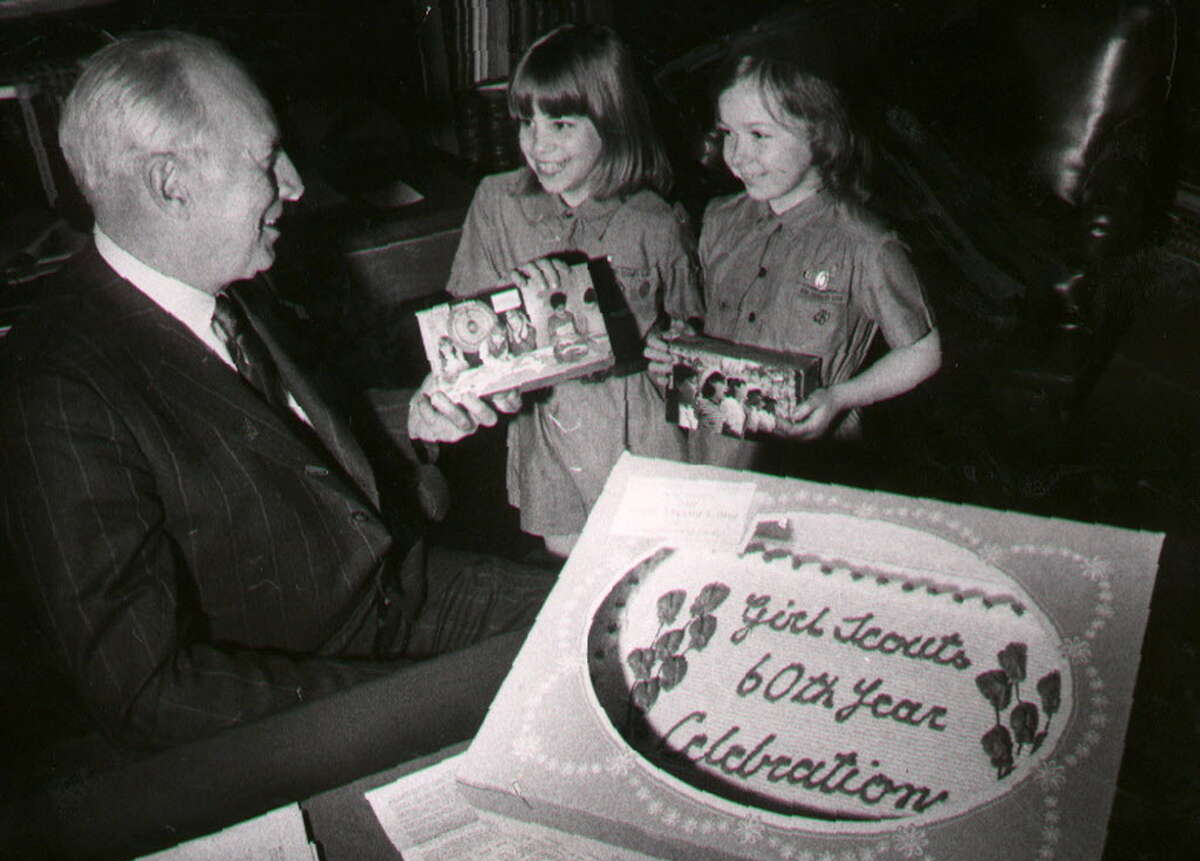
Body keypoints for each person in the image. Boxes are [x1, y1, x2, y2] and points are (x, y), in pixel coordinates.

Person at [0, 31, 553, 749]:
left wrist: (447, 385)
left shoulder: (232, 274)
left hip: (404, 596)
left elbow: (300, 428)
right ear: (173, 186)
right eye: (266, 160)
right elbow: (147, 689)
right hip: (300, 693)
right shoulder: (57, 388)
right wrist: (414, 700)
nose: (295, 183)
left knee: (612, 622)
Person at [447, 24, 702, 557]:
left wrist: (674, 349)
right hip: (550, 439)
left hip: (640, 434)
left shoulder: (655, 220)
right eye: (526, 122)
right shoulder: (497, 203)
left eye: (560, 123)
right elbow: (466, 332)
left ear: (611, 121)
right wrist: (516, 309)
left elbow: (692, 339)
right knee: (574, 567)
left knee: (654, 566)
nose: (538, 146)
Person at [647, 39, 940, 474]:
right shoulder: (719, 219)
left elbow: (924, 353)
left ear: (819, 133)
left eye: (759, 135)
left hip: (812, 463)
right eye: (728, 134)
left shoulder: (865, 243)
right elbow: (698, 321)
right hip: (715, 451)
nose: (738, 156)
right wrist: (673, 346)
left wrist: (841, 397)